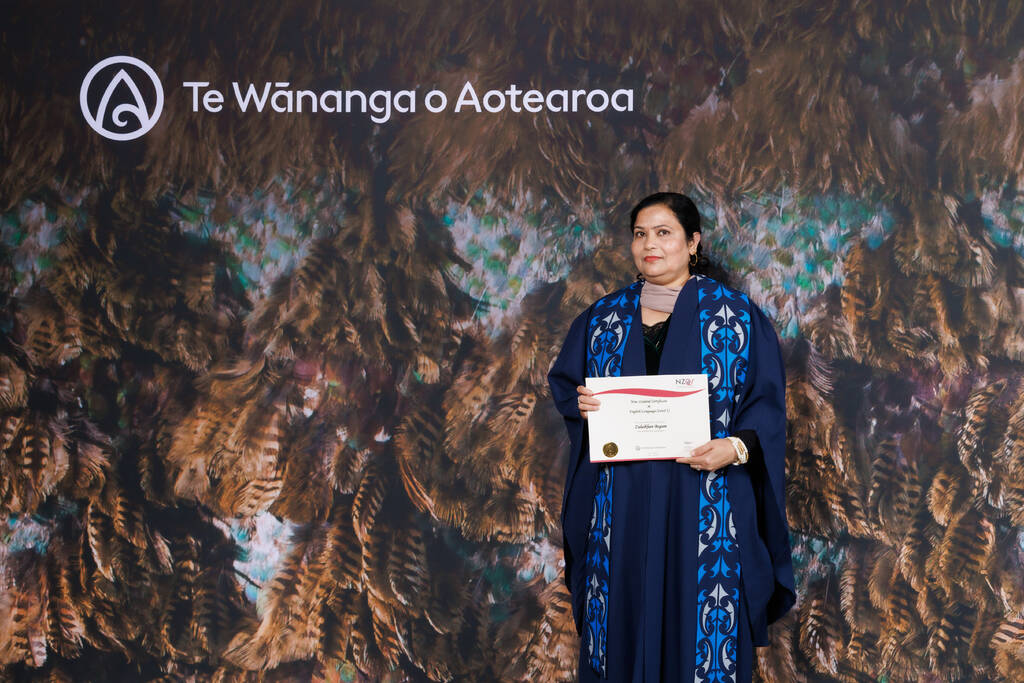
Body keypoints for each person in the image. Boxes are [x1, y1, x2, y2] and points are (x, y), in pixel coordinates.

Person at [547, 192, 795, 682]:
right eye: (640, 234)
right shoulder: (602, 320)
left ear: (693, 242)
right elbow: (567, 387)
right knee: (621, 616)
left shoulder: (738, 317)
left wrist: (736, 446)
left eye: (664, 233)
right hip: (623, 500)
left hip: (704, 499)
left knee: (700, 628)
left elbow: (767, 408)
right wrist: (579, 405)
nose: (650, 245)